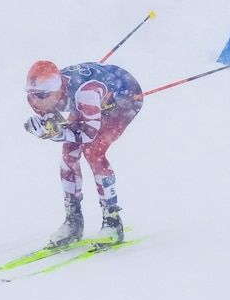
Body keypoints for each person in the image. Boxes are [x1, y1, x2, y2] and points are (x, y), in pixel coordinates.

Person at [22, 60, 144, 248]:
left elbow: (88, 134)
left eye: (42, 95)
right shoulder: (37, 97)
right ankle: (73, 221)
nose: (36, 101)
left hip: (124, 98)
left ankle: (113, 223)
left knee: (93, 151)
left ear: (56, 90)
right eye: (31, 95)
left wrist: (54, 134)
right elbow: (54, 124)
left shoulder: (86, 93)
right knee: (68, 155)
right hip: (91, 103)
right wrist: (51, 129)